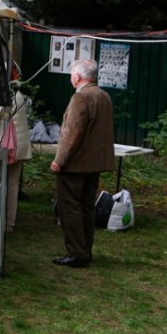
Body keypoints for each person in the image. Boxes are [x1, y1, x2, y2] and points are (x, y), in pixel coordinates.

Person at [49, 58, 115, 268]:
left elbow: (72, 133)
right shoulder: (103, 96)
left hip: (76, 163)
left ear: (77, 76)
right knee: (87, 206)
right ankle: (85, 250)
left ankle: (76, 252)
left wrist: (60, 160)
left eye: (71, 73)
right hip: (94, 163)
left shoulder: (81, 97)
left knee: (70, 207)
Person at [0, 72, 32, 231]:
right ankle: (9, 223)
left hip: (4, 144)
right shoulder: (17, 93)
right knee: (13, 185)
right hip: (20, 145)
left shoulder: (2, 93)